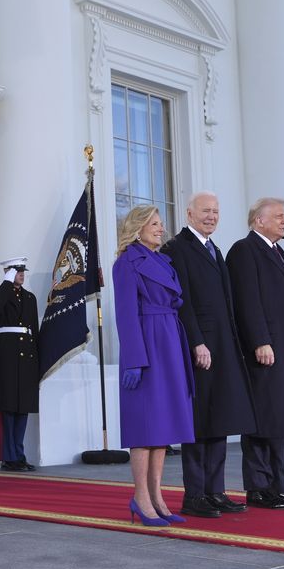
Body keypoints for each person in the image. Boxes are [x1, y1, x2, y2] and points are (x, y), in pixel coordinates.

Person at [162, 192, 257, 518]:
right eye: (205, 211)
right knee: (200, 422)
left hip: (224, 347)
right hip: (200, 348)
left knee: (221, 420)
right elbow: (182, 300)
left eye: (216, 211)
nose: (212, 216)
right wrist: (196, 342)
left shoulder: (215, 249)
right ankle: (195, 495)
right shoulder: (177, 248)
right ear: (189, 213)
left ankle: (216, 492)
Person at [226, 198, 284, 510]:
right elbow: (247, 301)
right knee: (264, 419)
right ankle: (259, 488)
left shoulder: (279, 253)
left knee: (282, 417)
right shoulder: (244, 250)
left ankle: (279, 484)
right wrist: (260, 340)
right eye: (278, 216)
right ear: (258, 221)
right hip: (264, 349)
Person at [113, 206, 194, 527]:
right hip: (147, 345)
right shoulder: (126, 263)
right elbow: (125, 315)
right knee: (144, 427)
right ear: (137, 228)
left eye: (161, 224)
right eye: (154, 224)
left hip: (170, 341)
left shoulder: (163, 261)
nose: (161, 229)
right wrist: (134, 359)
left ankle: (157, 497)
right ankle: (141, 498)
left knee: (163, 428)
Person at [0, 257, 40, 472]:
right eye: (17, 271)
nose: (22, 274)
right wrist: (6, 282)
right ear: (7, 272)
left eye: (23, 270)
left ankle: (19, 454)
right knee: (7, 407)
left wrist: (38, 363)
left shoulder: (30, 297)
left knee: (22, 407)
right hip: (6, 353)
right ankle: (8, 457)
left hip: (26, 357)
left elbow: (33, 328)